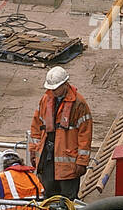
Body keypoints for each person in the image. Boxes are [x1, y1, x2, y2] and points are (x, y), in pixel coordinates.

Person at [29, 67, 92, 200]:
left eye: (55, 88)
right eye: (51, 88)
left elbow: (85, 134)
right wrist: (34, 151)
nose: (53, 91)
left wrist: (82, 161)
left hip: (68, 161)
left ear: (65, 84)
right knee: (47, 194)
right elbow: (37, 125)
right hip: (47, 156)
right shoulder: (46, 100)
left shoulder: (78, 104)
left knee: (68, 198)